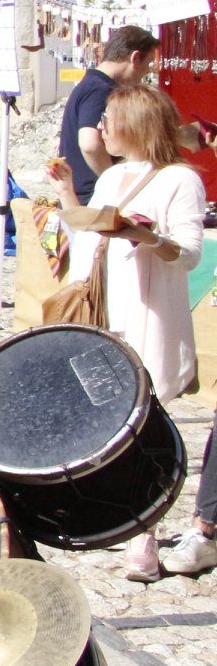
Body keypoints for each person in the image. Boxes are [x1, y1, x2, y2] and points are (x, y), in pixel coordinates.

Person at [50, 84, 210, 580]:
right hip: (108, 309)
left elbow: (188, 252)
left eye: (109, 120)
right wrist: (65, 195)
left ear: (135, 125)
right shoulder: (115, 176)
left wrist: (146, 236)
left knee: (146, 422)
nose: (100, 129)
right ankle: (116, 516)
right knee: (108, 415)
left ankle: (144, 533)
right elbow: (87, 239)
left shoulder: (180, 180)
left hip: (149, 311)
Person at [58, 24, 157, 204]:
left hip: (84, 196)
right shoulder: (100, 89)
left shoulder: (92, 84)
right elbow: (89, 144)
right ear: (135, 58)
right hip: (92, 199)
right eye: (148, 63)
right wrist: (115, 184)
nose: (148, 71)